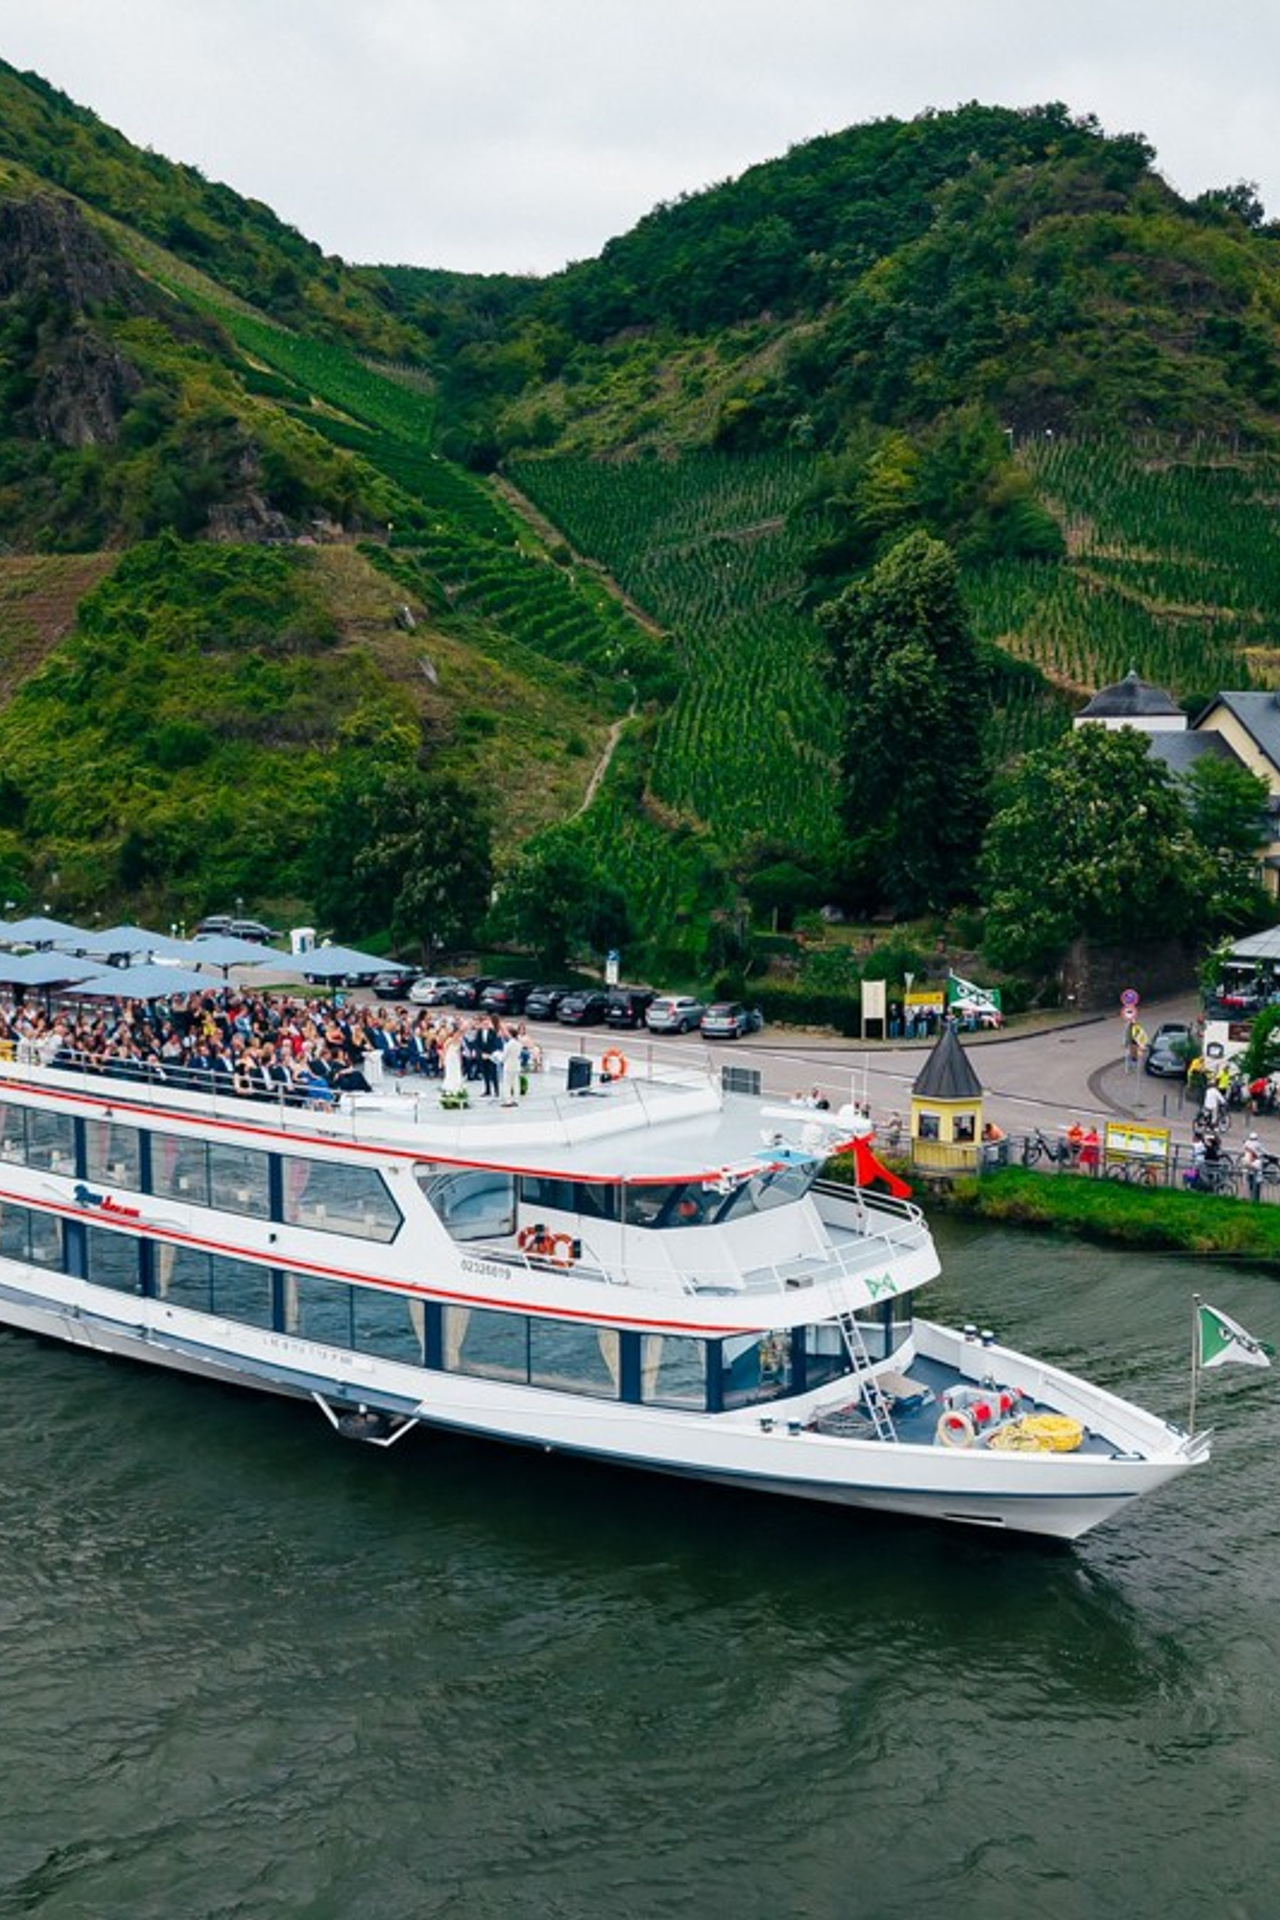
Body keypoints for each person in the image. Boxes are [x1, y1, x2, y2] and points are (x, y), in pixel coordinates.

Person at [1241, 1130, 1264, 1202]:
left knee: (1254, 1190)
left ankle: (1255, 1201)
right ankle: (1252, 1200)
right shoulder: (1256, 1144)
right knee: (1252, 1189)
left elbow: (1254, 1166)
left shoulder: (1258, 1161)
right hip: (1252, 1177)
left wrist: (1248, 1164)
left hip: (1256, 1178)